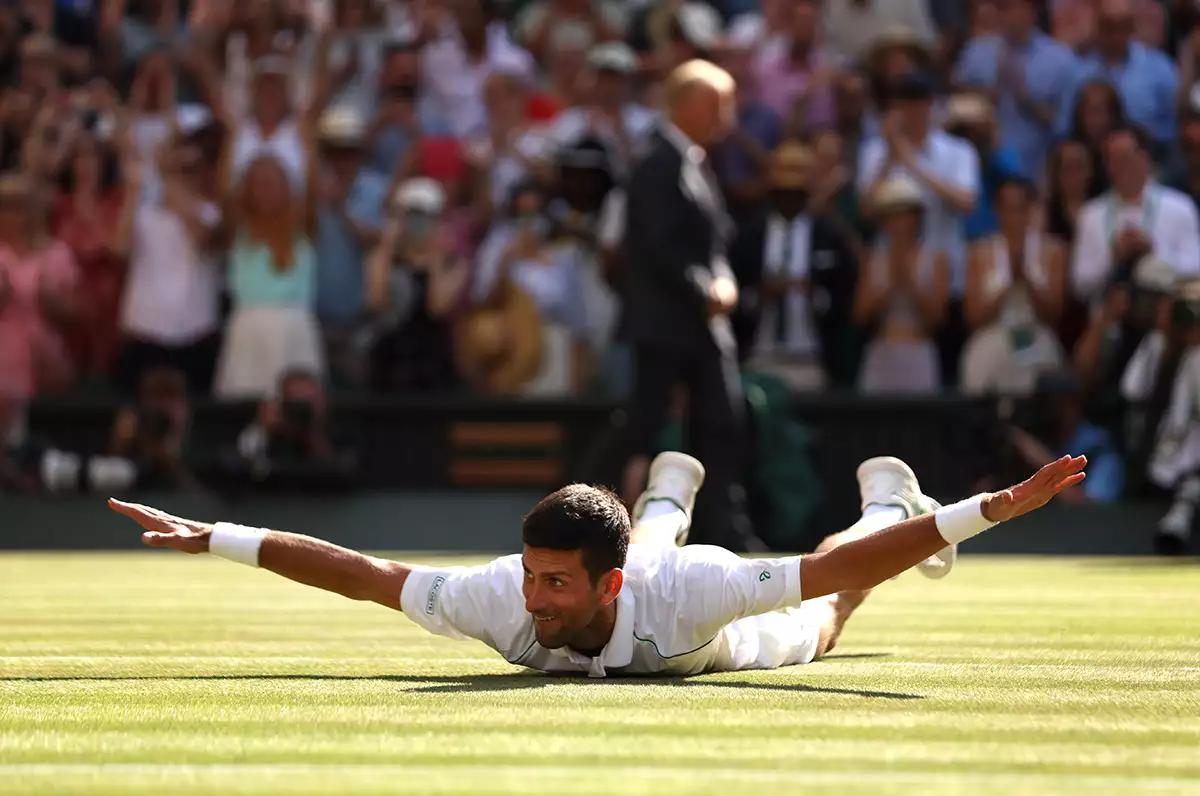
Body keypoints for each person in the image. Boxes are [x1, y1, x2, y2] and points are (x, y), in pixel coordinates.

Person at [109, 452, 1087, 677]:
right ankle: (662, 489)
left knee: (830, 605)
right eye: (534, 574)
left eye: (557, 582)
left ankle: (884, 492)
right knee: (647, 533)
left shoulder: (690, 589)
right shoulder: (502, 596)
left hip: (721, 635)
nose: (536, 599)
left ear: (605, 586)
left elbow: (826, 577)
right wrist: (216, 537)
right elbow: (365, 572)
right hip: (644, 565)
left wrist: (986, 510)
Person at [621, 59, 755, 552]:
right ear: (689, 104)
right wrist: (708, 288)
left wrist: (719, 280)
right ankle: (607, 533)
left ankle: (724, 537)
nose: (728, 114)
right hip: (668, 323)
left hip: (699, 326)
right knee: (643, 429)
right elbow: (660, 247)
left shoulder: (691, 161)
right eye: (719, 103)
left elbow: (711, 246)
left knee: (720, 426)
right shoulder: (659, 162)